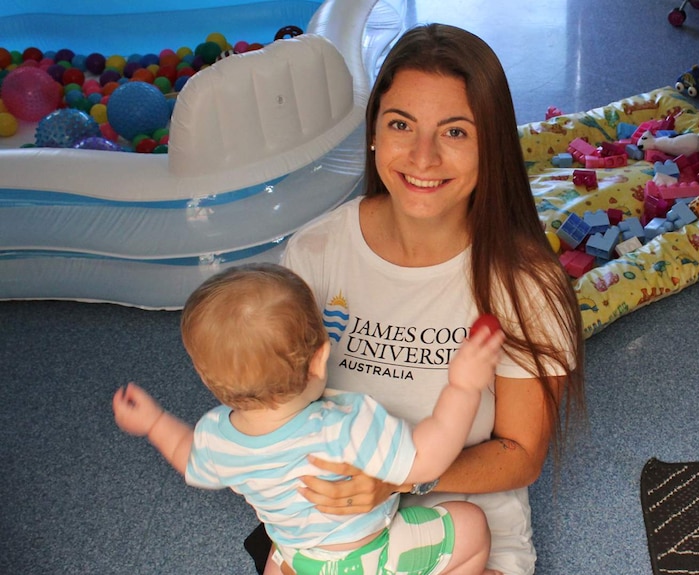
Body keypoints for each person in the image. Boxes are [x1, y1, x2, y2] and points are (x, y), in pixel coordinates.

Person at [251, 22, 586, 575]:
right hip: (337, 526)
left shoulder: (526, 282)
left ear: (491, 146)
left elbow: (521, 455)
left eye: (454, 132)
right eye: (401, 124)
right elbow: (277, 404)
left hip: (470, 526)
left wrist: (398, 478)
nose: (423, 157)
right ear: (375, 132)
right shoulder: (313, 254)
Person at [112, 263, 506, 575]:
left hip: (296, 560)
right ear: (321, 359)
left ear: (208, 379)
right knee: (471, 525)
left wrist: (154, 422)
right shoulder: (344, 424)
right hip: (371, 560)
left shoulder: (217, 437)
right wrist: (463, 387)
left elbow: (185, 454)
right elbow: (427, 459)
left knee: (277, 557)